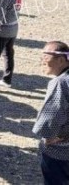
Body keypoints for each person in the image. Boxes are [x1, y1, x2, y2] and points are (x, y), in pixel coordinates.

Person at [32, 41, 69, 185]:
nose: (42, 61)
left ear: (61, 60)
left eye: (46, 57)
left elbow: (53, 114)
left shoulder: (61, 83)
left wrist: (48, 137)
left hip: (61, 150)